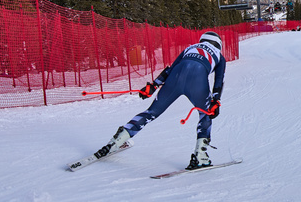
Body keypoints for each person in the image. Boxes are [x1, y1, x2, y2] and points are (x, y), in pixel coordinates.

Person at [97, 31, 226, 170]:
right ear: (218, 44)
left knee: (151, 112)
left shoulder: (190, 48)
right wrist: (216, 100)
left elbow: (169, 69)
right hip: (198, 79)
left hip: (175, 77)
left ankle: (116, 142)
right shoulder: (219, 56)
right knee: (205, 114)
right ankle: (200, 156)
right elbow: (219, 80)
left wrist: (153, 85)